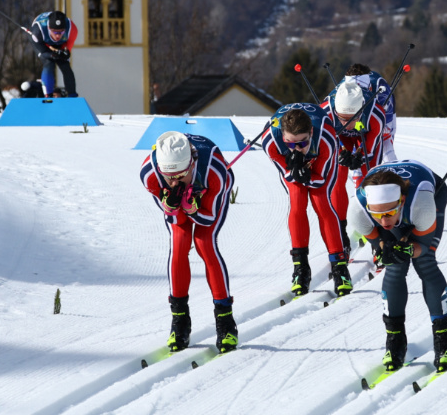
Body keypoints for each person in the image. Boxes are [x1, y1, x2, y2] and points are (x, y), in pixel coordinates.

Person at [348, 160, 447, 374]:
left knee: (425, 263)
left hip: (432, 194)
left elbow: (422, 248)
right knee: (394, 266)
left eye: (388, 213)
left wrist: (407, 249)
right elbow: (380, 240)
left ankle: (444, 339)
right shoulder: (358, 213)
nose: (383, 221)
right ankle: (395, 339)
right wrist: (383, 248)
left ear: (402, 200)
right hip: (399, 205)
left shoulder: (421, 204)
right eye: (377, 214)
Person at [140, 131, 239, 354]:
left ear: (192, 165)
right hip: (188, 199)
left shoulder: (214, 170)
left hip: (210, 191)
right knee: (179, 243)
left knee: (205, 244)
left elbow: (209, 217)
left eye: (180, 176)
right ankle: (179, 321)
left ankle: (225, 322)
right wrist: (172, 206)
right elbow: (174, 218)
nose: (174, 182)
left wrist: (193, 208)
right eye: (169, 177)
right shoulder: (150, 174)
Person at [261, 104, 351, 297]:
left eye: (302, 143)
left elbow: (321, 178)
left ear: (311, 132)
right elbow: (286, 173)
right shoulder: (270, 142)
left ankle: (340, 269)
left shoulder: (326, 138)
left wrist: (307, 175)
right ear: (283, 136)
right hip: (293, 163)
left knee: (321, 203)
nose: (297, 148)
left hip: (319, 160)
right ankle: (301, 269)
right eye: (290, 144)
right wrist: (294, 170)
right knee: (297, 201)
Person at [324, 80, 387, 257]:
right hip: (340, 139)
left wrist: (360, 154)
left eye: (351, 119)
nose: (346, 124)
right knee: (337, 179)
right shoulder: (326, 113)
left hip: (365, 135)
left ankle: (377, 233)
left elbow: (371, 146)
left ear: (361, 111)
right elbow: (327, 142)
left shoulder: (375, 114)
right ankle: (341, 233)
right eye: (341, 119)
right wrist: (340, 153)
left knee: (372, 180)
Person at [336, 63, 397, 163]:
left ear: (368, 88)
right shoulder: (342, 92)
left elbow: (385, 130)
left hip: (380, 117)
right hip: (358, 119)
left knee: (387, 151)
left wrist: (363, 155)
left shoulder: (382, 93)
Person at [30, 10, 78, 98]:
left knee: (64, 64)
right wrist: (51, 54)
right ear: (48, 28)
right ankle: (48, 95)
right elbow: (44, 52)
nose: (58, 36)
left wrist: (65, 53)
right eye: (55, 32)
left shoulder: (72, 30)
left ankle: (72, 95)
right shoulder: (37, 31)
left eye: (61, 32)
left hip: (61, 44)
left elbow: (67, 49)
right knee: (49, 63)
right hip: (43, 42)